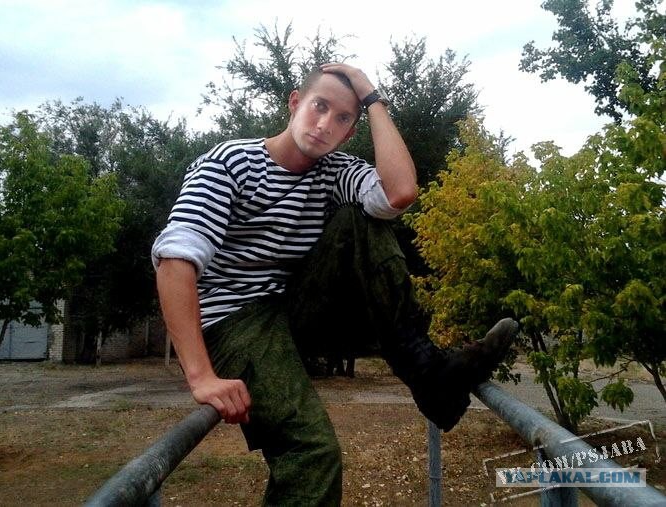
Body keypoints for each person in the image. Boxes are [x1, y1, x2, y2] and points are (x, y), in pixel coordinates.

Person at [152, 62, 517, 506]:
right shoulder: (229, 163)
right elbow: (175, 261)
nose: (325, 124)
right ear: (294, 103)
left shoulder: (336, 172)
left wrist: (373, 97)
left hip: (292, 310)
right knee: (312, 454)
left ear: (349, 133)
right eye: (319, 106)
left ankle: (428, 372)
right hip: (234, 318)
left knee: (362, 219)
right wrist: (201, 376)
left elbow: (398, 194)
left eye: (342, 118)